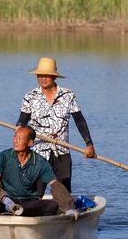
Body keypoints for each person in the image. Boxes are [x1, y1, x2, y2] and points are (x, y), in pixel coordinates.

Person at [16, 57, 96, 194]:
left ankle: (65, 213)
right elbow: (22, 121)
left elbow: (79, 120)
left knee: (63, 192)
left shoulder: (68, 95)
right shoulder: (30, 97)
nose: (42, 79)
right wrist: (19, 129)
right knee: (34, 193)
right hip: (37, 153)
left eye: (46, 75)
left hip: (62, 152)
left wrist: (89, 144)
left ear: (54, 76)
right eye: (39, 75)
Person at [0, 126, 76, 217]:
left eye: (19, 138)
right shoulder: (4, 156)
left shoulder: (40, 162)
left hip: (29, 205)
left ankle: (18, 211)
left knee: (52, 205)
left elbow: (55, 185)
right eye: (15, 137)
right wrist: (5, 199)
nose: (15, 141)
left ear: (30, 143)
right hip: (7, 202)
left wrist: (69, 207)